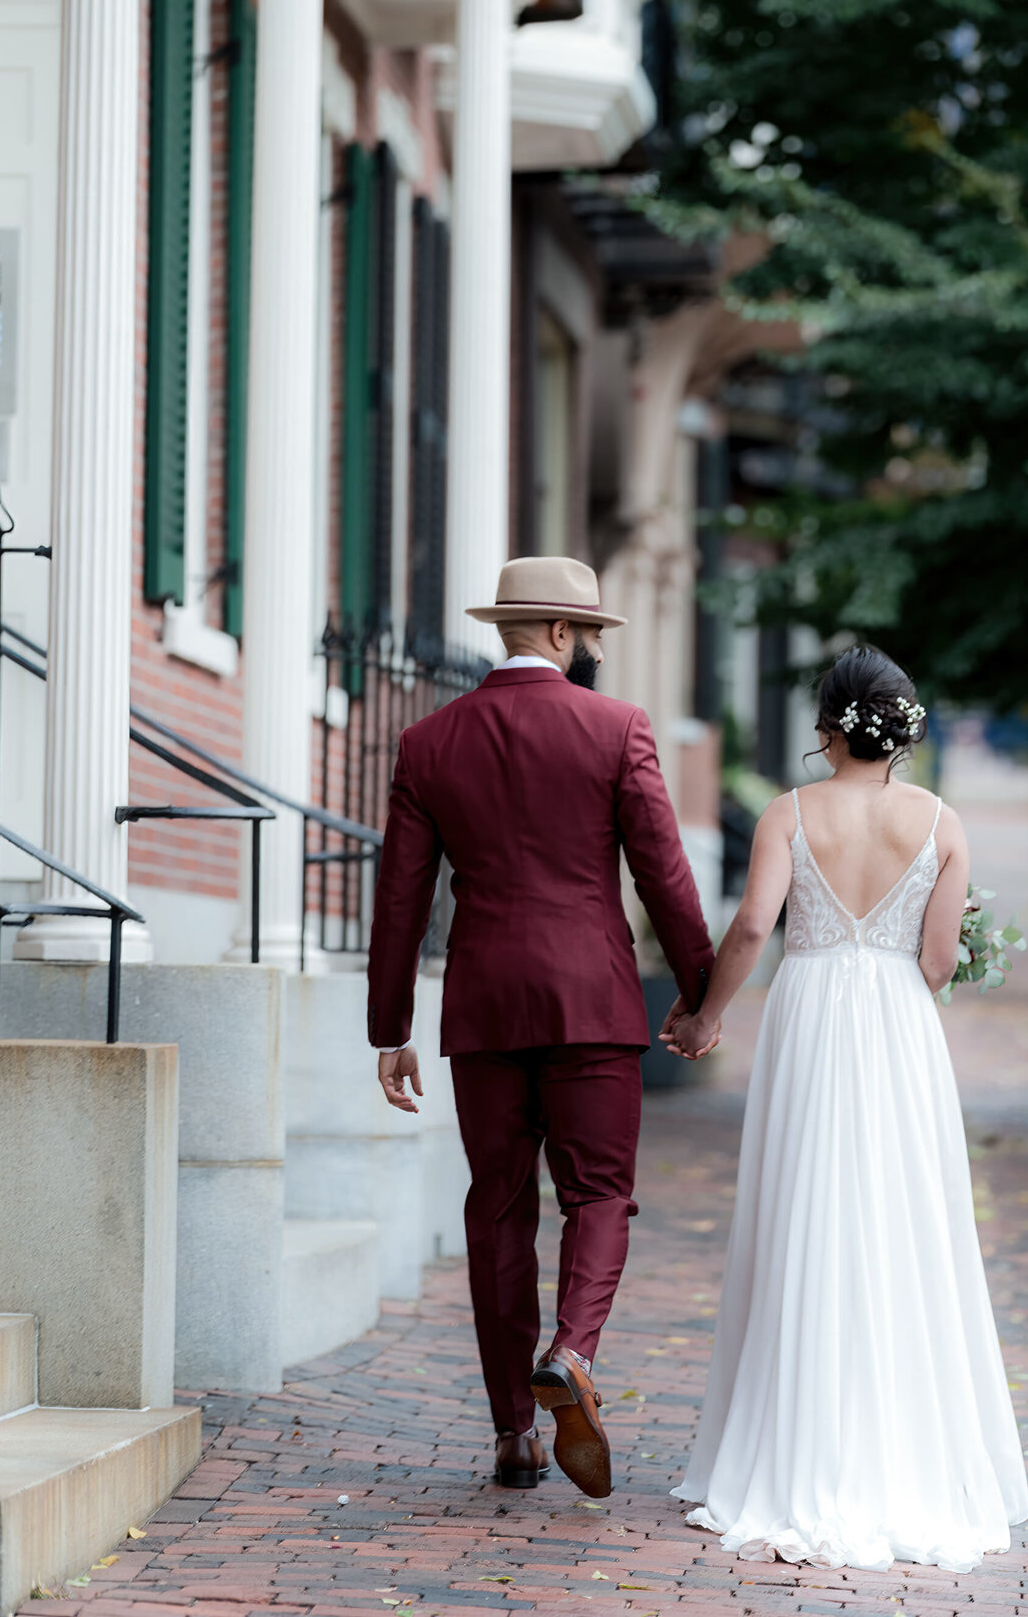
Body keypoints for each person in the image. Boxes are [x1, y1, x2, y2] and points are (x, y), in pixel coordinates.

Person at [662, 645, 1028, 1572]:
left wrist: (707, 1014)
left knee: (806, 1210)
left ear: (827, 726)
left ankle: (792, 1444)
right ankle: (906, 1447)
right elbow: (939, 963)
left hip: (814, 1017)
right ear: (902, 730)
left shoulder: (789, 814)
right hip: (900, 1032)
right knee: (904, 1222)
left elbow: (753, 927)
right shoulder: (942, 824)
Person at [368, 556, 715, 1499]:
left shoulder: (429, 741)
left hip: (482, 1006)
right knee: (600, 1193)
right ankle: (571, 1350)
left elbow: (401, 894)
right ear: (563, 635)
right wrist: (700, 990)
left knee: (497, 1207)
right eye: (591, 635)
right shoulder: (616, 729)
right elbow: (663, 873)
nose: (594, 650)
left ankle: (513, 1433)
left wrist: (388, 1024)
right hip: (593, 1002)